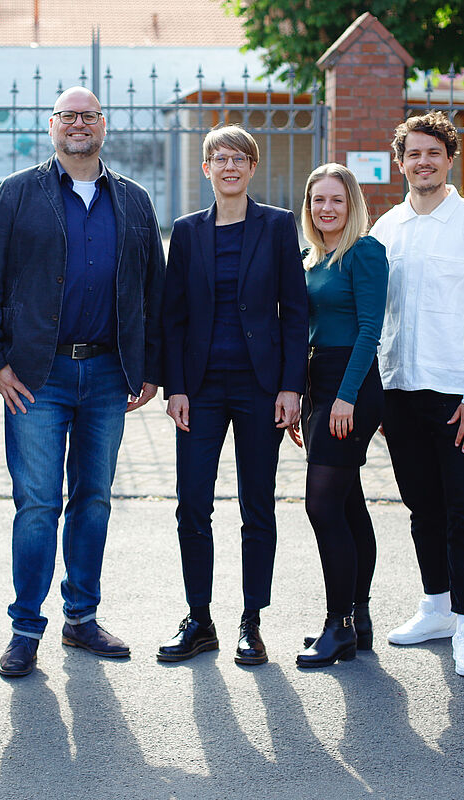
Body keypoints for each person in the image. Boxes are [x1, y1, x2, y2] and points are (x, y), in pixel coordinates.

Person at [0, 87, 165, 678]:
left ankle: (81, 619)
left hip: (107, 374)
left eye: (89, 116)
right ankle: (25, 628)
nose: (79, 124)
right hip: (37, 376)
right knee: (37, 505)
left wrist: (149, 368)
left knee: (94, 499)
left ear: (103, 125)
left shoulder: (133, 200)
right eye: (68, 116)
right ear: (53, 126)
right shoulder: (17, 193)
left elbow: (153, 291)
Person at [157, 125, 307, 666]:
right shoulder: (186, 231)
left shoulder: (278, 225)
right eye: (220, 159)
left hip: (260, 388)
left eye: (239, 158)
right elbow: (172, 318)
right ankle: (199, 620)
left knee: (257, 505)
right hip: (199, 389)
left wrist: (291, 385)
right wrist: (175, 387)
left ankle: (251, 621)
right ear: (206, 169)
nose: (229, 167)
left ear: (252, 167)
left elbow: (295, 312)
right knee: (192, 504)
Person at [369, 111, 464, 677]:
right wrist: (379, 393)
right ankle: (437, 608)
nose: (423, 162)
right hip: (400, 392)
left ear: (450, 159)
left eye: (433, 153)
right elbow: (376, 318)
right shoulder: (386, 229)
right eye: (413, 154)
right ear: (400, 163)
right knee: (421, 506)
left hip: (458, 399)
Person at [286, 164, 387, 668]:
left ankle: (338, 625)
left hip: (351, 386)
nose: (326, 208)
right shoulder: (312, 259)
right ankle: (358, 618)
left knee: (322, 507)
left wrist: (345, 398)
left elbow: (370, 330)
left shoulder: (364, 253)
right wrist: (300, 396)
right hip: (318, 385)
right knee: (348, 505)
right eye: (318, 200)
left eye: (336, 200)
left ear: (352, 205)